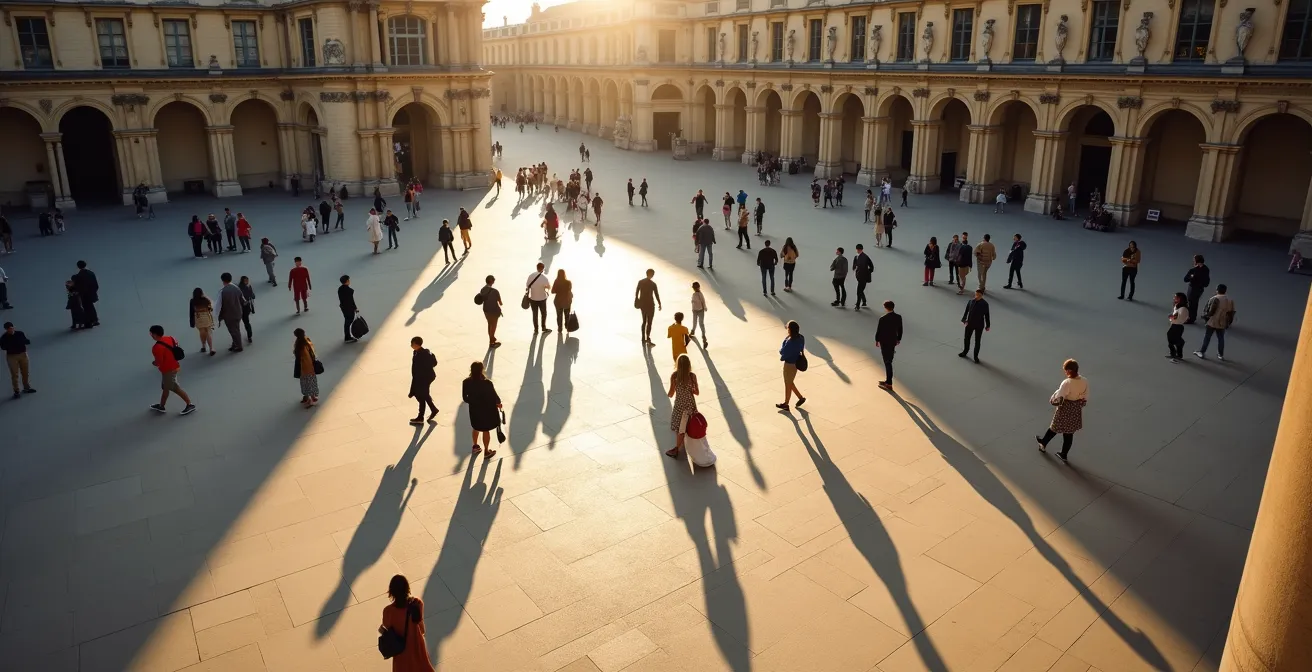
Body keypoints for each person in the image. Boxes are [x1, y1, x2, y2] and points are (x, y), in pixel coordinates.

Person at [378, 575, 436, 672]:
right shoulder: (417, 604)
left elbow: (387, 628)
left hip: (401, 651)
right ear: (407, 588)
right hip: (417, 648)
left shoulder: (388, 611)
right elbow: (422, 630)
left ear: (392, 592)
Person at [1036, 359, 1089, 463]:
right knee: (1069, 432)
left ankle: (1043, 443)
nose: (1065, 372)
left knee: (1055, 426)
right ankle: (1064, 454)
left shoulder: (1067, 382)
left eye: (1065, 370)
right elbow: (1085, 396)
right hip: (1076, 408)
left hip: (1066, 407)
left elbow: (1060, 396)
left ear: (1069, 371)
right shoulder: (1084, 380)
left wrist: (1053, 399)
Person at [149, 325, 195, 415]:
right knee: (166, 387)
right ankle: (161, 406)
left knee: (174, 388)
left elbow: (159, 362)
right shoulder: (171, 338)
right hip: (175, 366)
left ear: (154, 335)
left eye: (151, 333)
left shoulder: (156, 348)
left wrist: (154, 363)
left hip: (168, 370)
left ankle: (190, 404)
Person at [462, 360, 501, 459]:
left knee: (475, 427)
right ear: (481, 370)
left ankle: (475, 446)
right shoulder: (487, 383)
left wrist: (473, 401)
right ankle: (486, 451)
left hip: (474, 409)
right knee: (485, 429)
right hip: (486, 409)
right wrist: (498, 403)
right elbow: (494, 396)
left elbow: (465, 398)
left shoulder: (466, 382)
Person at [666, 353, 700, 458]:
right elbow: (697, 392)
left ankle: (676, 449)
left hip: (679, 406)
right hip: (690, 405)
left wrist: (669, 392)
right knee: (689, 426)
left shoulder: (674, 376)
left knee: (680, 429)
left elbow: (671, 394)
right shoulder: (692, 376)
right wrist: (690, 389)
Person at [1196, 284, 1236, 361]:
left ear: (1217, 290)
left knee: (1207, 337)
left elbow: (1209, 311)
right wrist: (1228, 322)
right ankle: (1220, 354)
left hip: (1212, 321)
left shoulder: (1214, 298)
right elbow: (1232, 312)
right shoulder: (1230, 300)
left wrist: (1204, 317)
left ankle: (1201, 352)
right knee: (1221, 338)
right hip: (1222, 322)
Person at [775, 321, 806, 410]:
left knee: (788, 383)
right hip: (796, 363)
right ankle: (800, 398)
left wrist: (785, 340)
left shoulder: (790, 341)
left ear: (790, 330)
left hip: (789, 364)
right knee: (790, 382)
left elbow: (782, 351)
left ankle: (786, 403)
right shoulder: (801, 338)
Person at [408, 337, 439, 425]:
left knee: (422, 395)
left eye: (412, 344)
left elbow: (432, 364)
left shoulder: (424, 354)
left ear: (417, 344)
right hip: (420, 377)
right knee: (423, 395)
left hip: (425, 378)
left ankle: (421, 416)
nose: (411, 345)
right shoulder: (416, 352)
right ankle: (433, 410)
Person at [1, 322, 35, 399]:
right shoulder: (4, 337)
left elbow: (26, 340)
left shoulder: (20, 333)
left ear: (13, 327)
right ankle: (16, 391)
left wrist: (25, 341)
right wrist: (13, 345)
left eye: (11, 328)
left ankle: (26, 387)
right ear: (6, 329)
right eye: (8, 329)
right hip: (12, 356)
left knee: (25, 372)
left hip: (23, 354)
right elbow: (3, 347)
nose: (10, 330)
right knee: (14, 374)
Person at [875, 301, 902, 391]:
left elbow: (879, 330)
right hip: (892, 341)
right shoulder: (898, 317)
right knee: (889, 360)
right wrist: (898, 339)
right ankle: (887, 380)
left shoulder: (883, 318)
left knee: (887, 362)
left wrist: (877, 340)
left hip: (884, 341)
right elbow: (900, 329)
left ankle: (889, 383)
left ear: (886, 308)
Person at [217, 272, 246, 353]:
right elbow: (243, 300)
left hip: (229, 315)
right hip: (238, 312)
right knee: (235, 329)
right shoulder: (236, 288)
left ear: (223, 280)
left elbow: (219, 305)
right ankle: (235, 344)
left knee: (234, 331)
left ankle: (239, 346)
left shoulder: (222, 292)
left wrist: (218, 316)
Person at [959, 289, 990, 363]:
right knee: (966, 338)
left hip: (979, 325)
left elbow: (987, 315)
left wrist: (987, 325)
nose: (976, 296)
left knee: (977, 341)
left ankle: (976, 356)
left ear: (982, 295)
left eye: (978, 295)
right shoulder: (970, 301)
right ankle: (965, 351)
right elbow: (966, 312)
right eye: (976, 294)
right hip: (969, 323)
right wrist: (964, 320)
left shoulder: (985, 304)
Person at [292, 328, 319, 407]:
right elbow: (310, 354)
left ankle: (309, 398)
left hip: (303, 368)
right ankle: (312, 397)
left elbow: (299, 356)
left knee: (306, 383)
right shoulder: (306, 342)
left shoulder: (299, 344)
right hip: (309, 367)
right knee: (311, 382)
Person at [635, 269, 662, 346]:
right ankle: (648, 337)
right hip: (650, 304)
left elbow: (636, 292)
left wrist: (637, 300)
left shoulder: (640, 282)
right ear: (652, 275)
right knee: (649, 322)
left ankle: (643, 338)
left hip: (643, 304)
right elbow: (656, 294)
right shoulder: (653, 284)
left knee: (644, 321)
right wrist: (659, 303)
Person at [1183, 254, 1210, 324]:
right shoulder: (1206, 269)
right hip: (1200, 289)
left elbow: (1185, 279)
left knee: (1191, 303)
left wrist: (1191, 278)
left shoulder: (1193, 270)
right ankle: (1192, 317)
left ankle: (1190, 318)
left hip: (1192, 289)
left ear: (1197, 261)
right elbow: (1206, 282)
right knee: (1194, 303)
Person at [189, 288, 216, 356]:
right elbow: (211, 308)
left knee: (202, 332)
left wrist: (192, 322)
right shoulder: (206, 299)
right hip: (206, 317)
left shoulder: (192, 301)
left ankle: (203, 346)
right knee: (208, 332)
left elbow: (191, 312)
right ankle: (211, 348)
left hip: (198, 318)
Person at [526, 263, 551, 333]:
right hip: (542, 298)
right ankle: (543, 327)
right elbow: (548, 287)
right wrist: (543, 287)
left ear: (537, 267)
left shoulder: (531, 276)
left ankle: (536, 329)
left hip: (533, 298)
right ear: (543, 268)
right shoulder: (544, 278)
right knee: (543, 313)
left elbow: (527, 285)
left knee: (535, 314)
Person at [478, 275, 502, 348]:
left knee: (489, 324)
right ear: (492, 281)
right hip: (494, 311)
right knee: (493, 326)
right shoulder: (495, 291)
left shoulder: (482, 289)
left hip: (486, 310)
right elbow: (500, 302)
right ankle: (491, 342)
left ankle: (492, 338)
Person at [73, 261, 99, 328]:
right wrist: (93, 292)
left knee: (86, 307)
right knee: (90, 306)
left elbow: (78, 286)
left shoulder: (80, 275)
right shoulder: (91, 273)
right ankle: (94, 320)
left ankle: (89, 322)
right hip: (91, 293)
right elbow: (96, 285)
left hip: (84, 294)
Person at [1167, 292, 1189, 362]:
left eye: (1176, 297)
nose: (1174, 298)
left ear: (1180, 299)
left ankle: (1177, 353)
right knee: (1171, 337)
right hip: (1176, 324)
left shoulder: (1182, 309)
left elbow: (1176, 317)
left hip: (1177, 325)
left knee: (1173, 338)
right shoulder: (1178, 306)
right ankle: (1175, 353)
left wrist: (1171, 317)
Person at [850, 244, 874, 309]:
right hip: (859, 276)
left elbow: (871, 266)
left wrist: (867, 272)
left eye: (859, 249)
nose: (857, 251)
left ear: (861, 249)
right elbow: (855, 263)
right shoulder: (856, 256)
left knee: (859, 291)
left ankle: (857, 305)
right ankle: (864, 301)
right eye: (857, 249)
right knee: (861, 290)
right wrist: (854, 268)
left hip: (863, 277)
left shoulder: (865, 257)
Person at [339, 275, 359, 343]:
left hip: (343, 308)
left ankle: (347, 336)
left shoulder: (340, 289)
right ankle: (348, 337)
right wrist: (355, 308)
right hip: (349, 308)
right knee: (349, 321)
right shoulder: (349, 291)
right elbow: (351, 301)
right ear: (347, 281)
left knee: (347, 321)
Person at [689, 281, 708, 348]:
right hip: (695, 310)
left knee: (701, 323)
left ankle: (703, 336)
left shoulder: (700, 294)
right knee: (695, 322)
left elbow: (703, 301)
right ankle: (693, 331)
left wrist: (704, 307)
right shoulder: (694, 294)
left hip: (700, 310)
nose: (695, 289)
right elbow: (693, 302)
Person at [238, 276, 255, 344]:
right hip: (245, 308)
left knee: (237, 324)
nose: (247, 282)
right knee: (246, 322)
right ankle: (249, 336)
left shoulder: (238, 288)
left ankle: (236, 339)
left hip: (239, 308)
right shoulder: (247, 287)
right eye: (246, 281)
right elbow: (253, 296)